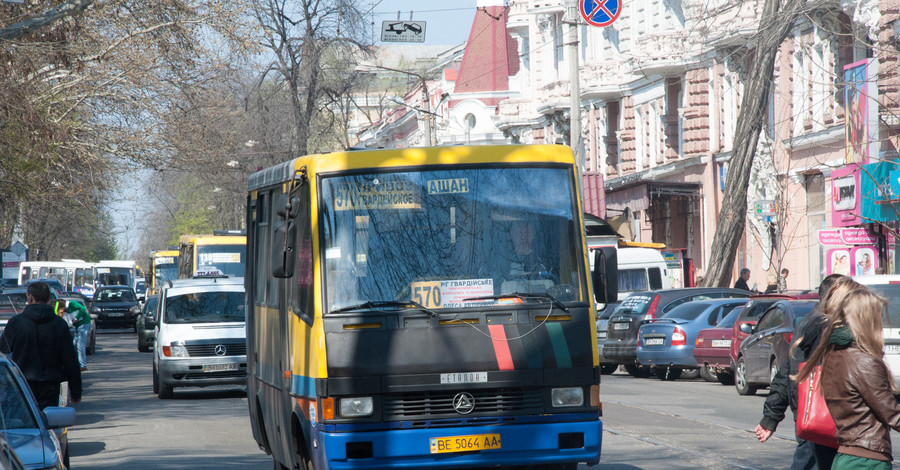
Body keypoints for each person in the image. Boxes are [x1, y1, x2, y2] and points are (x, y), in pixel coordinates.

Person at [794, 279, 900, 470]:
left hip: (846, 454)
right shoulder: (864, 361)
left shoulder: (834, 354)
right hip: (867, 460)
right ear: (867, 319)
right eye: (878, 317)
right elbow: (891, 413)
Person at [754, 274, 846, 469]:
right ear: (835, 298)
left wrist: (771, 417)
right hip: (822, 415)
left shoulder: (811, 321)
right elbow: (790, 371)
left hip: (810, 415)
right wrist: (771, 417)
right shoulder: (826, 326)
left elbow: (786, 371)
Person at [0, 282, 82, 409]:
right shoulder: (59, 324)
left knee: (25, 424)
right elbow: (70, 360)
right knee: (49, 422)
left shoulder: (16, 323)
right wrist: (76, 392)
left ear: (30, 297)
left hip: (22, 386)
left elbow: (4, 351)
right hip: (50, 387)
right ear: (48, 298)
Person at [60, 299, 92, 371]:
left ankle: (82, 365)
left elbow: (82, 309)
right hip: (77, 327)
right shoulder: (65, 313)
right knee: (74, 344)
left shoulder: (72, 304)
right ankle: (76, 363)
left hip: (84, 324)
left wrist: (76, 317)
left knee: (80, 345)